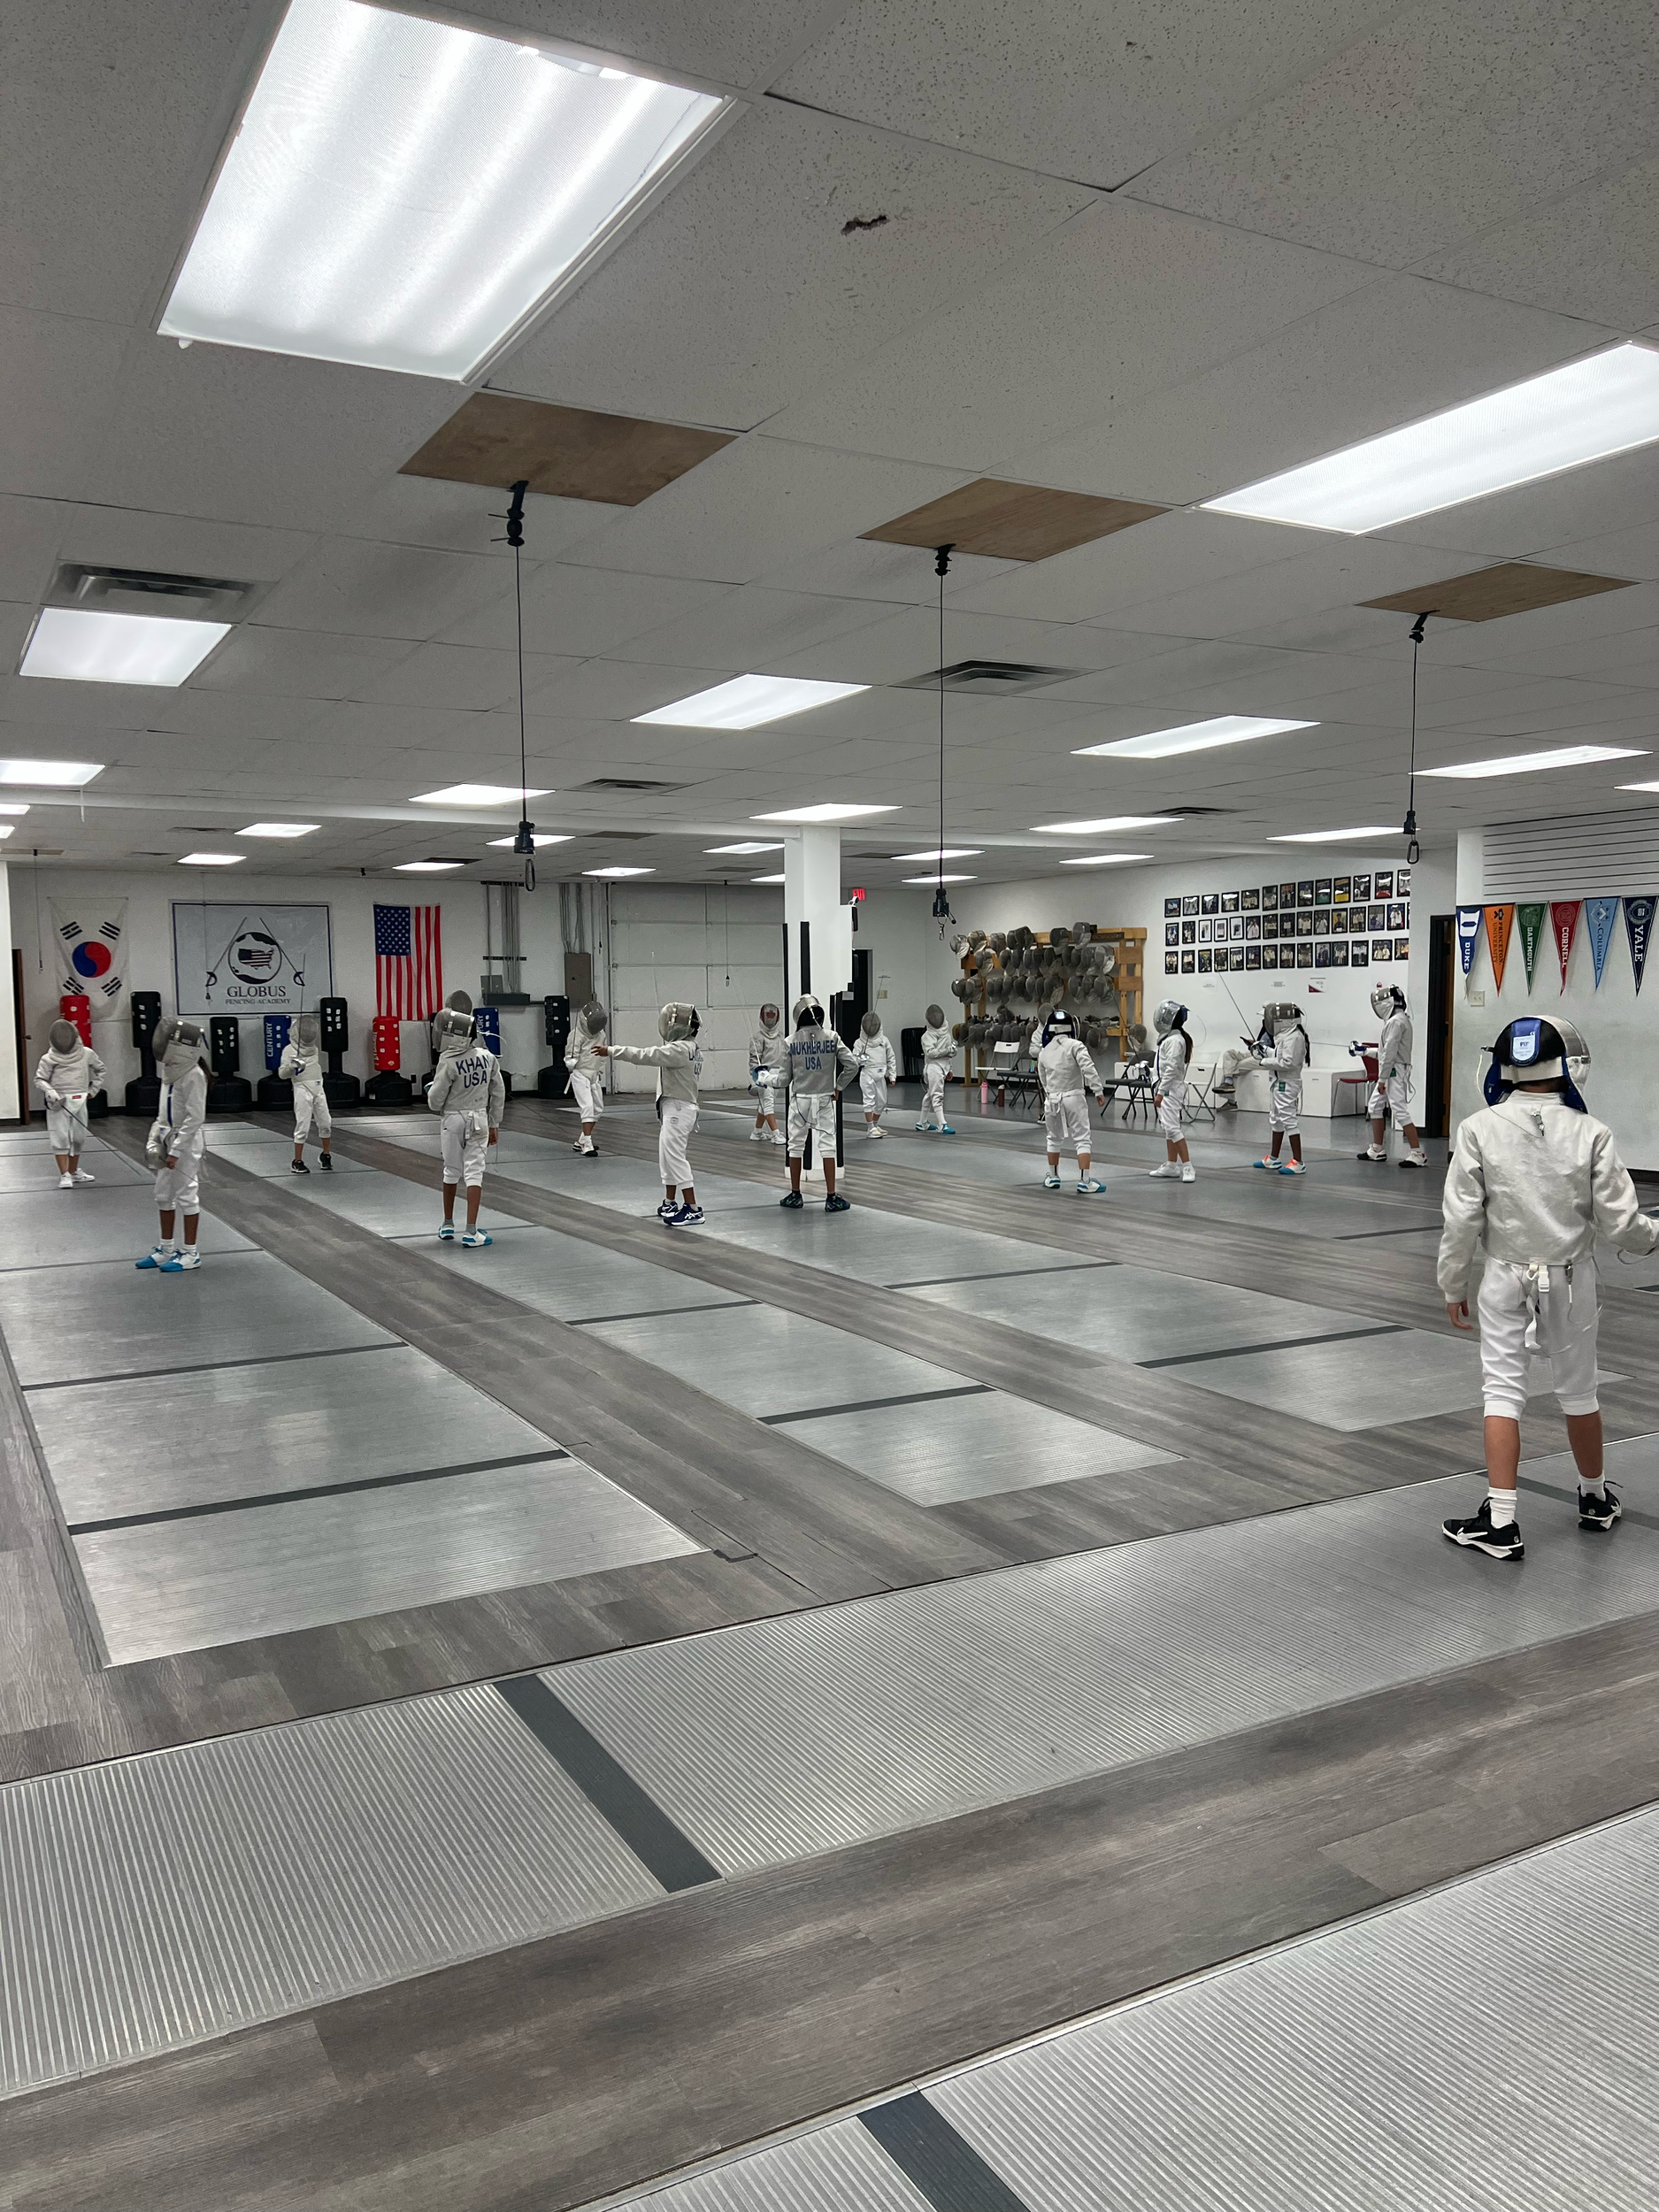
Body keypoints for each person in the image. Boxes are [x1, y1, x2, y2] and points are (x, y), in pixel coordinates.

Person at [1440, 1016, 1656, 1560]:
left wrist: (1451, 1282)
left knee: (1502, 1392)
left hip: (1502, 1278)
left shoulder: (1476, 1128)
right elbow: (1623, 1224)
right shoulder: (1591, 1132)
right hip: (1571, 1277)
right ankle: (1593, 1498)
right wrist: (1654, 1238)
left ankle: (1503, 1522)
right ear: (1568, 1065)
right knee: (1580, 1391)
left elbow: (1461, 1220)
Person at [595, 1002, 704, 1226]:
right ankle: (669, 1202)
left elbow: (644, 1055)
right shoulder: (691, 1047)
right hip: (675, 1108)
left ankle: (693, 1209)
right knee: (667, 1158)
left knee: (675, 1158)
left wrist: (611, 1051)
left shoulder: (679, 1050)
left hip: (678, 1109)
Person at [426, 996, 503, 1247]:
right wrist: (494, 1123)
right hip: (479, 1119)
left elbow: (435, 1100)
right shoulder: (487, 1057)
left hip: (452, 1119)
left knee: (451, 1171)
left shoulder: (447, 1061)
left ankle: (448, 1224)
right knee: (474, 1174)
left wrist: (434, 1096)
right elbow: (498, 1092)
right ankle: (471, 1231)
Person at [136, 1013, 210, 1272]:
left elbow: (195, 1117)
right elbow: (163, 1112)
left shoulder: (194, 1075)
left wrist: (177, 1150)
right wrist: (154, 1137)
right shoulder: (169, 1072)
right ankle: (166, 1249)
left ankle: (191, 1253)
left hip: (186, 1143)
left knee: (187, 1195)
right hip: (167, 1137)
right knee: (163, 1196)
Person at [780, 994, 860, 1213]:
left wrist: (764, 1078)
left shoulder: (790, 1041)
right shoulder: (832, 1037)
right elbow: (851, 1065)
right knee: (827, 1149)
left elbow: (783, 1080)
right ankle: (831, 1197)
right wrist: (839, 1086)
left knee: (795, 1147)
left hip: (800, 1103)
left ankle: (796, 1195)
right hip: (825, 1100)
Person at [1030, 1007, 1107, 1194]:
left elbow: (1042, 1077)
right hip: (1074, 1097)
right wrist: (1098, 1090)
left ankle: (1053, 1177)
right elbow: (1088, 1068)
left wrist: (1050, 1093)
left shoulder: (1044, 1051)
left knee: (1053, 1139)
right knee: (1082, 1139)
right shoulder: (1076, 1045)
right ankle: (1085, 1181)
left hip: (1053, 1100)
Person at [1359, 983, 1428, 1168]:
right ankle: (1377, 1149)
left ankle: (1417, 1153)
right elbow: (1386, 1051)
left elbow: (1389, 1053)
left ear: (1387, 1003)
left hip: (1394, 1071)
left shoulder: (1396, 1022)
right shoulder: (1398, 1019)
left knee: (1399, 1108)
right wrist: (1365, 1051)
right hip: (1392, 1068)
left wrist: (1382, 1079)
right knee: (1374, 1106)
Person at [35, 1017, 104, 1189]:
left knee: (79, 1137)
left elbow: (100, 1070)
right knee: (60, 1138)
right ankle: (64, 1174)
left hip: (80, 1099)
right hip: (58, 1103)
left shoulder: (87, 1053)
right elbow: (40, 1079)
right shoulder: (48, 1058)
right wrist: (50, 1092)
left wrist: (93, 1090)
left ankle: (73, 1172)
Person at [1254, 1002, 1310, 1175]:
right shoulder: (1287, 1036)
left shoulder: (1295, 1038)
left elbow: (1288, 1062)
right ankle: (1273, 1158)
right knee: (1276, 1120)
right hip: (1279, 1082)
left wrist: (1264, 1061)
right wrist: (1265, 1050)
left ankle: (1298, 1162)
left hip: (1288, 1083)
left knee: (1289, 1120)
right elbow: (1281, 1055)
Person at [1147, 998, 1196, 1183]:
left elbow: (1171, 1069)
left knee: (1173, 1129)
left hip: (1170, 1089)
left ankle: (1188, 1167)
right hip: (1166, 1088)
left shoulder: (1175, 1040)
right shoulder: (1170, 1039)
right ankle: (1171, 1165)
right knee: (1168, 1128)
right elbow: (1163, 1067)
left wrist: (1161, 1092)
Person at [279, 1010, 333, 1173]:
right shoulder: (289, 1050)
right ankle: (297, 1161)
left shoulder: (314, 1049)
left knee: (326, 1123)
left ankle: (326, 1155)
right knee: (303, 1125)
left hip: (318, 1088)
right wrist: (291, 1067)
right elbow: (282, 1074)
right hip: (302, 1089)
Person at [564, 1001, 607, 1156]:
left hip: (593, 1075)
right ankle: (587, 1144)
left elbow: (602, 1054)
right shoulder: (576, 1034)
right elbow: (570, 1057)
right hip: (580, 1074)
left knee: (598, 1109)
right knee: (587, 1107)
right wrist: (573, 1065)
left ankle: (581, 1140)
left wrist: (599, 1070)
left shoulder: (601, 1034)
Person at [854, 1008, 899, 1138]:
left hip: (881, 1075)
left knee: (882, 1102)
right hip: (867, 1074)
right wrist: (860, 1058)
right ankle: (870, 1129)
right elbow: (853, 1059)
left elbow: (891, 1057)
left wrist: (893, 1075)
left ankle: (874, 1125)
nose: (871, 1027)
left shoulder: (884, 1041)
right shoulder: (859, 1042)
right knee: (869, 1101)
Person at [748, 1002, 787, 1143]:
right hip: (764, 1073)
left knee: (764, 1104)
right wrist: (756, 1076)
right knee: (768, 1104)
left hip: (779, 1074)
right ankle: (776, 1134)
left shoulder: (781, 1037)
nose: (770, 1020)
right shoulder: (758, 1038)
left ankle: (757, 1132)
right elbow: (754, 1060)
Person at [917, 1004, 956, 1134]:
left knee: (930, 1095)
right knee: (937, 1095)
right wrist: (946, 1051)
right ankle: (942, 1124)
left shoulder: (947, 1032)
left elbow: (949, 1054)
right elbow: (930, 1053)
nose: (936, 1019)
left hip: (943, 1067)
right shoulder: (927, 1036)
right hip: (933, 1068)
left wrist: (950, 1069)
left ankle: (922, 1123)